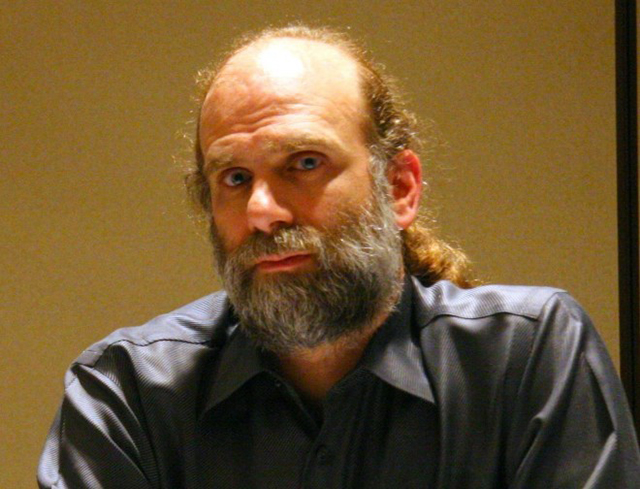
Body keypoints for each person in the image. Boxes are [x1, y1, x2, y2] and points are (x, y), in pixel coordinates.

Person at [38, 25, 640, 488]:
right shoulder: (128, 393)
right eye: (235, 177)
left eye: (304, 163)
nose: (262, 211)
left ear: (399, 187)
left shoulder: (526, 356)